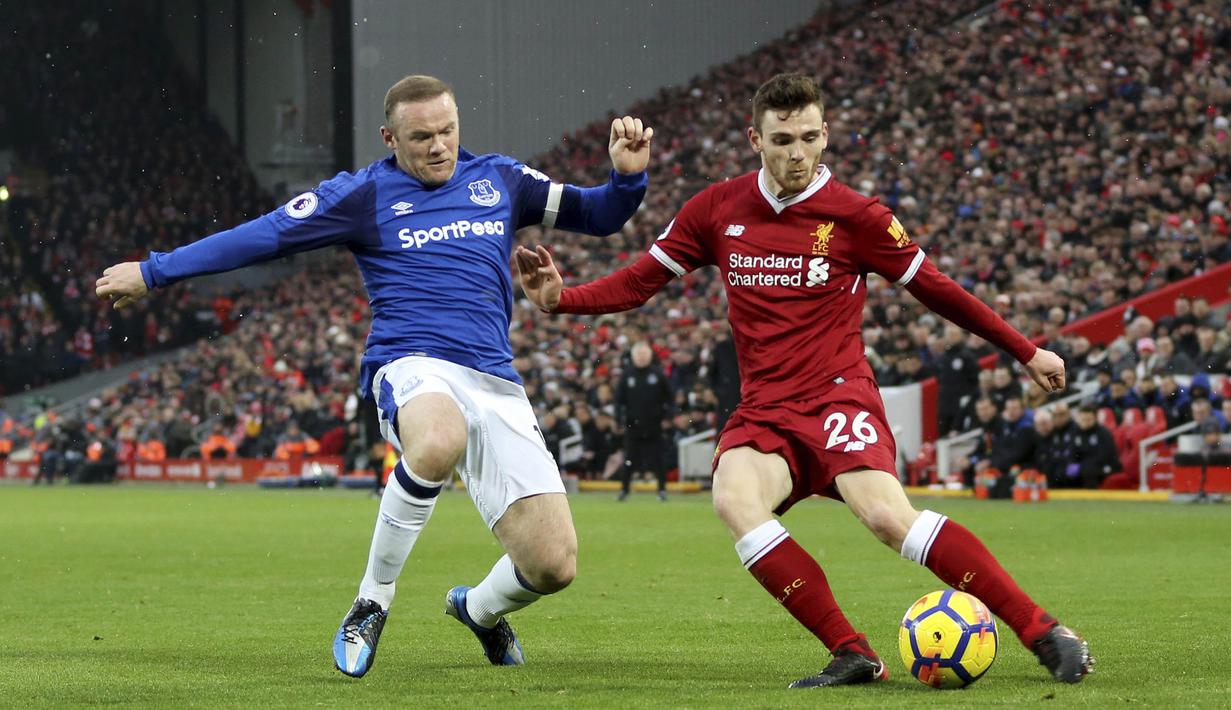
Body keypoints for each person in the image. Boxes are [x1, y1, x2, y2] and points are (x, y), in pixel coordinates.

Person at [515, 73, 1091, 687]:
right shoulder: (715, 209)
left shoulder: (858, 216)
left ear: (826, 135)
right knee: (734, 499)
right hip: (765, 410)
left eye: (810, 137)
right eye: (783, 138)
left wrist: (1025, 350)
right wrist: (561, 299)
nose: (798, 152)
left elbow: (937, 289)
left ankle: (1043, 630)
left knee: (885, 516)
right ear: (754, 139)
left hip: (838, 394)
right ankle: (852, 652)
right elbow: (639, 282)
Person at [95, 74, 652, 678]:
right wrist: (154, 272)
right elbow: (264, 237)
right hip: (411, 364)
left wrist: (627, 177)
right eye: (421, 137)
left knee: (553, 565)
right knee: (437, 440)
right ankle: (371, 601)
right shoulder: (361, 195)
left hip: (494, 379)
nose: (438, 146)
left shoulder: (501, 180)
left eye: (447, 130)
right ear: (390, 138)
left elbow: (600, 215)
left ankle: (479, 611)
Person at [615, 340, 674, 501]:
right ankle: (624, 490)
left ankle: (662, 490)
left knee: (658, 459)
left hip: (654, 425)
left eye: (644, 354)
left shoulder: (657, 374)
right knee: (629, 459)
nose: (641, 357)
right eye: (638, 354)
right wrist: (619, 421)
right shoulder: (627, 375)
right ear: (633, 356)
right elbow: (619, 401)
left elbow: (670, 398)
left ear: (649, 355)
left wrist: (668, 417)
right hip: (632, 425)